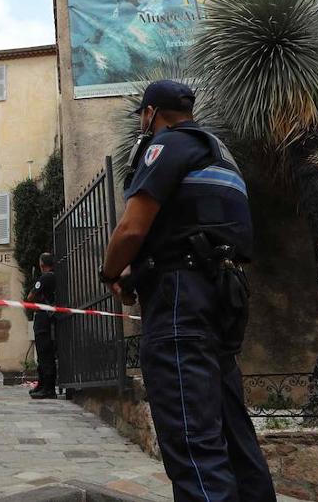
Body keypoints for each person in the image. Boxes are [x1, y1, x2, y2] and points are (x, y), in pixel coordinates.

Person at [99, 80, 275, 502]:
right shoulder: (219, 152)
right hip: (223, 295)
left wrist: (110, 274)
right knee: (233, 434)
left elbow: (132, 228)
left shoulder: (166, 147)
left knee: (193, 442)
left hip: (180, 299)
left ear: (150, 114)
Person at [25, 252, 57, 400]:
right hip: (49, 318)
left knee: (44, 354)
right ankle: (42, 385)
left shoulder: (45, 277)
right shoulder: (56, 277)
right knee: (45, 353)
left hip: (44, 318)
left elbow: (30, 297)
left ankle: (48, 389)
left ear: (42, 264)